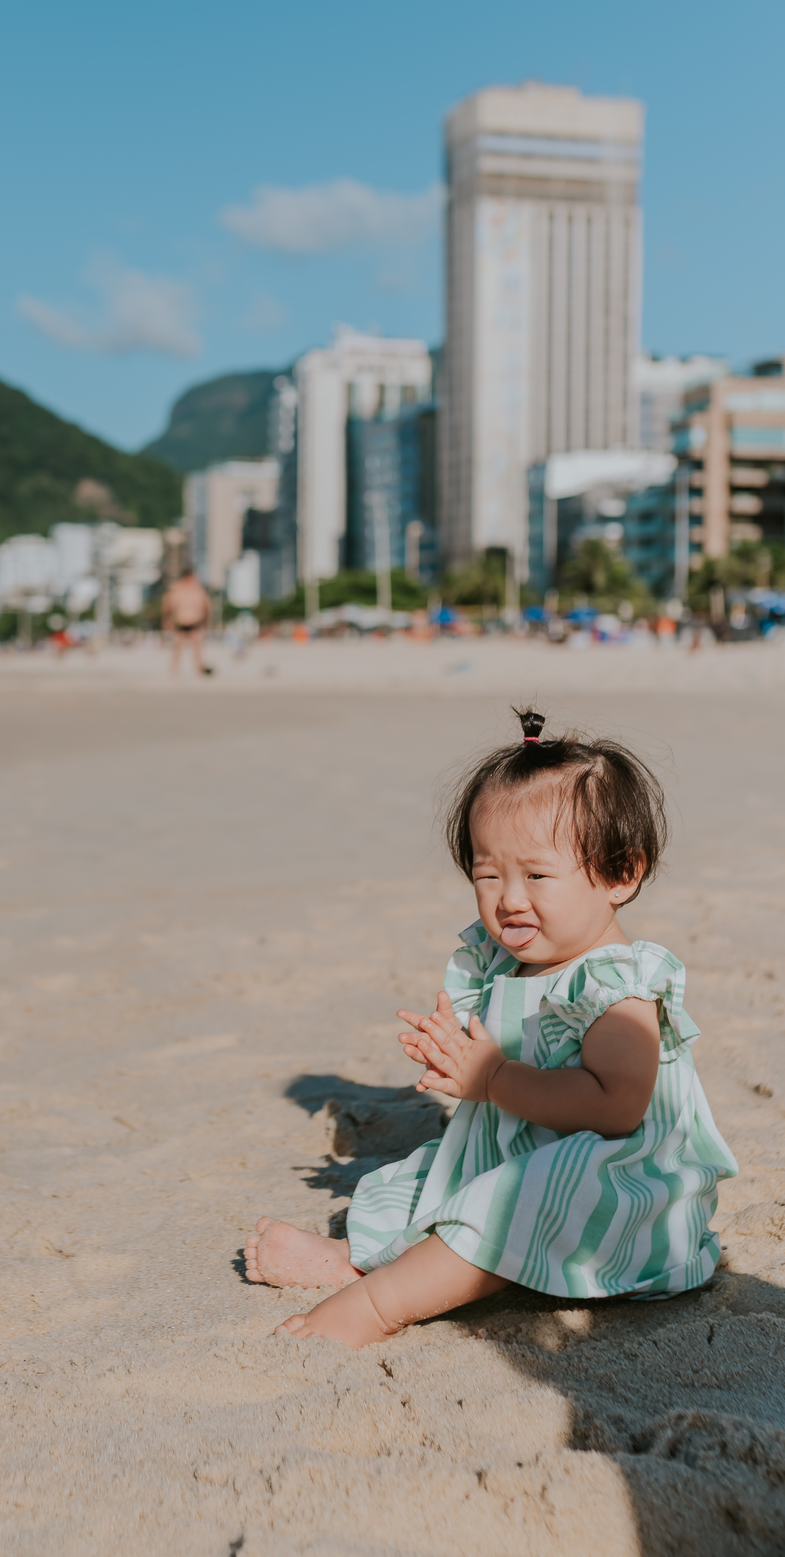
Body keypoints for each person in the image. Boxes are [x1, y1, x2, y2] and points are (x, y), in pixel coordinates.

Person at [245, 708, 736, 1348]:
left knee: (510, 1200)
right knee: (432, 1179)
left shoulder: (619, 987)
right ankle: (361, 1257)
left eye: (536, 875)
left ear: (621, 874)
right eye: (488, 875)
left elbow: (616, 1108)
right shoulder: (507, 960)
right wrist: (455, 1059)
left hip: (620, 1195)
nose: (508, 898)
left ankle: (375, 1303)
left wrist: (494, 1075)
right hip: (530, 1152)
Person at [161, 566, 213, 676]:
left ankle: (197, 668)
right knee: (179, 648)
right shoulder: (180, 589)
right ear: (190, 577)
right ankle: (176, 669)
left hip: (193, 622)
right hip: (183, 623)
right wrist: (167, 620)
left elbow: (206, 608)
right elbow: (167, 606)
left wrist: (206, 622)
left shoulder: (194, 590)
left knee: (195, 648)